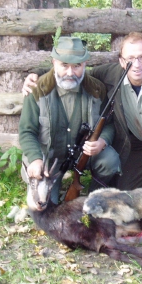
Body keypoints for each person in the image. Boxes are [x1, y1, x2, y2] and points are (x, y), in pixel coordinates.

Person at [22, 32, 142, 202]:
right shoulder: (111, 75)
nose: (136, 65)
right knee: (124, 195)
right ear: (121, 61)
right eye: (130, 58)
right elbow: (74, 74)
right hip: (140, 146)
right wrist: (38, 75)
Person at [19, 36, 120, 203]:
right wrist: (36, 159)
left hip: (83, 156)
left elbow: (108, 124)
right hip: (48, 160)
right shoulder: (36, 90)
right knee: (43, 207)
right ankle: (53, 185)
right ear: (54, 62)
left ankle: (95, 198)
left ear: (85, 64)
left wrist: (103, 141)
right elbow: (26, 131)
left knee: (109, 160)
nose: (70, 73)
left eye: (77, 66)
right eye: (64, 65)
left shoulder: (96, 89)